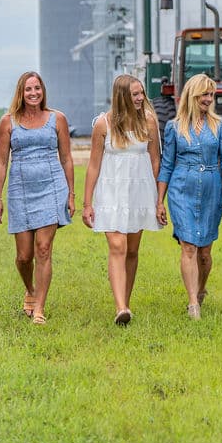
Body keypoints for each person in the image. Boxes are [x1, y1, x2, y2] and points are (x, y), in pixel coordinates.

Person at [0, 71, 75, 325]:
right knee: (24, 256)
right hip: (21, 189)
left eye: (37, 88)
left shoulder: (57, 119)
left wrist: (71, 193)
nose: (33, 93)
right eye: (28, 89)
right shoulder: (9, 122)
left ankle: (39, 309)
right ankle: (30, 289)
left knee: (43, 248)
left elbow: (66, 158)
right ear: (21, 92)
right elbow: (2, 162)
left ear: (43, 91)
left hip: (52, 186)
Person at [82, 74, 163, 325]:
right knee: (117, 246)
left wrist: (157, 198)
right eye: (135, 94)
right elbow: (93, 165)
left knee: (132, 250)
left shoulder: (149, 121)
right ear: (122, 96)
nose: (140, 98)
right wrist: (87, 203)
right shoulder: (103, 124)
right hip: (111, 192)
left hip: (139, 192)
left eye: (141, 93)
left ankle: (125, 303)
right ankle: (120, 307)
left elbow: (155, 160)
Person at [156, 74, 222, 320]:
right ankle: (193, 304)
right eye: (204, 94)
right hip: (182, 188)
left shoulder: (221, 125)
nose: (208, 99)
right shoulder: (173, 127)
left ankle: (200, 289)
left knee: (204, 251)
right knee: (188, 246)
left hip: (212, 188)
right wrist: (160, 201)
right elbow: (167, 164)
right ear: (192, 96)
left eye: (211, 95)